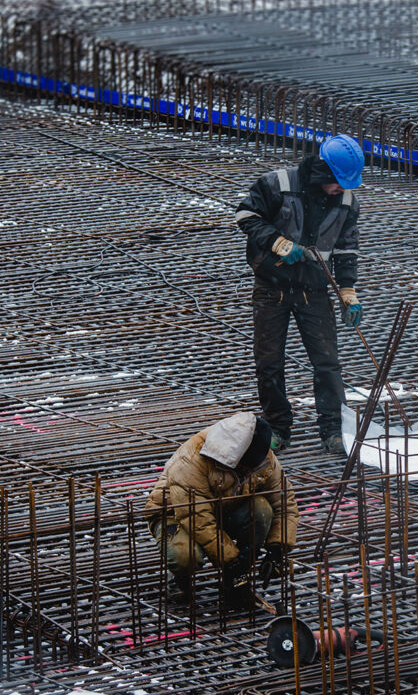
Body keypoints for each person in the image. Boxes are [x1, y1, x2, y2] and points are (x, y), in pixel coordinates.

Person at [235, 134, 365, 456]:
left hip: (315, 290)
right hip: (272, 287)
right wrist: (277, 242)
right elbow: (246, 216)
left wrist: (347, 289)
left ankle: (333, 430)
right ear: (323, 171)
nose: (342, 189)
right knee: (269, 363)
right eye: (338, 182)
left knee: (327, 363)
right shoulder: (277, 184)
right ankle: (278, 428)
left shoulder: (347, 203)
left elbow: (346, 249)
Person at [143, 412, 299, 609]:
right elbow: (197, 519)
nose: (247, 471)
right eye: (244, 466)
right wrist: (229, 560)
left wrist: (277, 548)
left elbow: (285, 504)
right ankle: (180, 579)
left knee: (262, 510)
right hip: (175, 514)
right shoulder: (192, 460)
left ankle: (235, 579)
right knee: (185, 555)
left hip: (223, 508)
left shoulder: (264, 459)